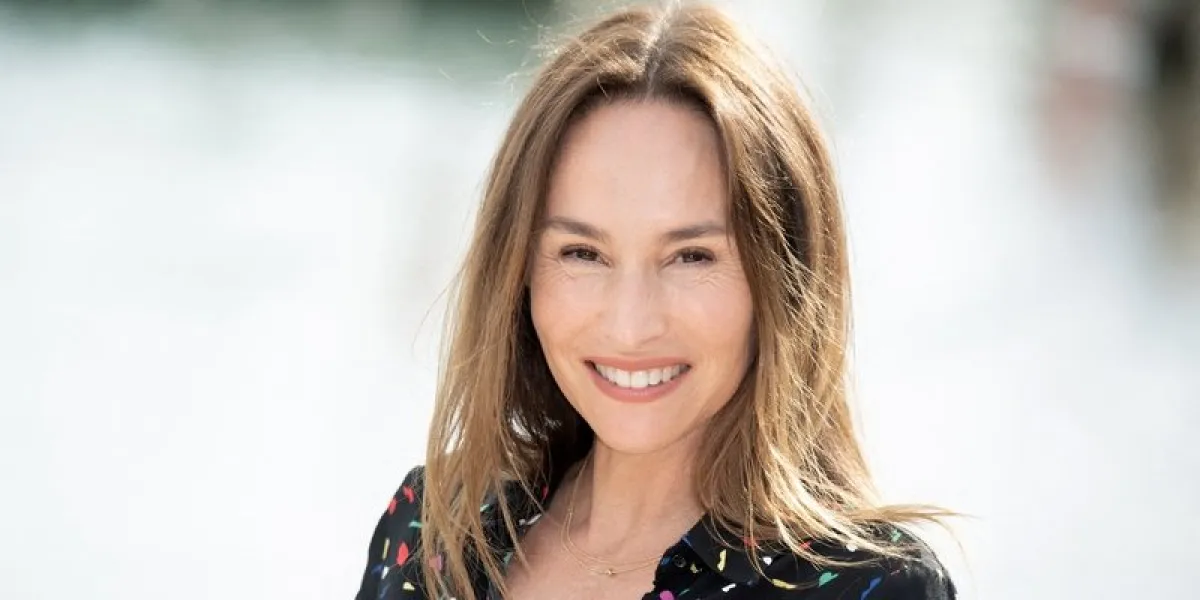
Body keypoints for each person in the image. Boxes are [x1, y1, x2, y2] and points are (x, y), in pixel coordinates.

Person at [355, 3, 956, 599]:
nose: (631, 324)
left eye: (692, 256)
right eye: (582, 253)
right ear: (517, 271)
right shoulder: (433, 527)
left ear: (785, 276)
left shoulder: (870, 589)